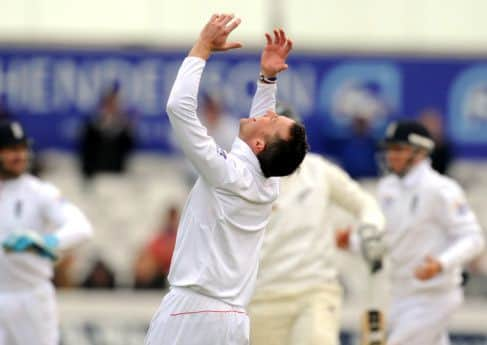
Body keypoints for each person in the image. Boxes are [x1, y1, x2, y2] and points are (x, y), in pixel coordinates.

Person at [144, 14, 308, 345]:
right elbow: (257, 146)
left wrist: (202, 46)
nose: (270, 112)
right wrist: (268, 79)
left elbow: (179, 108)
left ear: (261, 143)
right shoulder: (266, 182)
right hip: (233, 320)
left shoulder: (227, 175)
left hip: (191, 313)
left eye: (274, 119)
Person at [337, 120, 485, 345]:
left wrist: (441, 264)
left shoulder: (441, 189)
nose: (391, 156)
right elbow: (389, 240)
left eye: (399, 149)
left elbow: (473, 238)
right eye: (389, 149)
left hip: (435, 297)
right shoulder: (388, 188)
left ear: (420, 151)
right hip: (399, 294)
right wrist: (353, 242)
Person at [248, 104, 385, 345]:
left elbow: (364, 203)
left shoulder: (318, 170)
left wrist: (371, 227)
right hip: (262, 296)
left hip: (314, 291)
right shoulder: (247, 176)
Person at [0, 120, 93, 345]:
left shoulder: (39, 192)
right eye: (12, 149)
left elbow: (82, 227)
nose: (19, 155)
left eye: (23, 149)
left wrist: (48, 241)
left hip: (31, 297)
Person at [79, 83, 135, 181]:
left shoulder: (123, 128)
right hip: (95, 175)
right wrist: (101, 127)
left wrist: (121, 127)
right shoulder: (92, 126)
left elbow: (129, 148)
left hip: (117, 175)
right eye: (109, 104)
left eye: (115, 104)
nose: (112, 108)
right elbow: (85, 150)